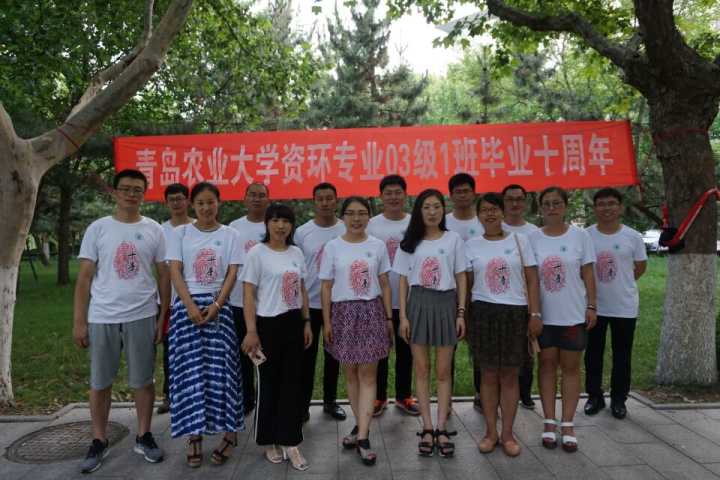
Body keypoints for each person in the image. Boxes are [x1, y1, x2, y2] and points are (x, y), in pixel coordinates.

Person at [73, 169, 168, 474]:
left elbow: (163, 275)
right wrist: (79, 321)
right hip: (103, 316)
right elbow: (84, 278)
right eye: (125, 189)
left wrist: (162, 316)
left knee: (143, 380)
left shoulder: (154, 229)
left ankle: (144, 435)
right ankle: (99, 439)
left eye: (137, 189)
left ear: (144, 194)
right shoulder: (98, 228)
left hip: (143, 314)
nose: (131, 194)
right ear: (114, 192)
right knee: (100, 382)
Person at [166, 182, 244, 468]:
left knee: (223, 373)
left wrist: (217, 305)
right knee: (190, 375)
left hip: (218, 309)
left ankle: (230, 434)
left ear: (218, 203)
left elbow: (232, 273)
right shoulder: (180, 233)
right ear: (192, 205)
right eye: (200, 203)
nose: (206, 208)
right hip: (185, 310)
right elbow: (175, 271)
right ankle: (194, 434)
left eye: (211, 202)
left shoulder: (231, 234)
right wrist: (188, 306)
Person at [466, 193, 541, 457]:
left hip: (514, 313)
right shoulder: (471, 245)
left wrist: (535, 314)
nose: (490, 214)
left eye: (494, 209)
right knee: (488, 375)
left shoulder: (520, 241)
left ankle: (508, 434)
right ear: (478, 216)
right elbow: (467, 283)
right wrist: (463, 316)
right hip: (483, 314)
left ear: (502, 212)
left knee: (510, 375)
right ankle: (490, 432)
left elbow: (532, 279)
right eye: (484, 210)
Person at [320, 196, 393, 466]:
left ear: (369, 216)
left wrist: (389, 317)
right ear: (342, 217)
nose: (356, 218)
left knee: (368, 375)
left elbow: (384, 283)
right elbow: (326, 287)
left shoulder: (377, 246)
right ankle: (361, 425)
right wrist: (327, 322)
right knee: (350, 374)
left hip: (371, 311)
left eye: (362, 213)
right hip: (342, 314)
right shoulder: (332, 247)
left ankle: (362, 437)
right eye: (350, 213)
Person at [241, 203, 313, 472]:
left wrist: (306, 322)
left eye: (286, 221)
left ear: (292, 225)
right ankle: (269, 440)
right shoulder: (256, 253)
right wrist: (251, 331)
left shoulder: (296, 253)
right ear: (267, 223)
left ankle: (291, 442)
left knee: (292, 384)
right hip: (267, 326)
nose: (281, 226)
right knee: (269, 385)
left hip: (293, 323)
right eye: (275, 220)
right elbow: (248, 294)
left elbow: (302, 289)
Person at [395, 189, 467, 458]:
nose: (432, 212)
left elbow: (461, 276)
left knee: (444, 371)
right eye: (426, 207)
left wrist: (461, 312)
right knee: (422, 369)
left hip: (446, 303)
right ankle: (426, 427)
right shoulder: (409, 242)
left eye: (437, 206)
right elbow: (403, 281)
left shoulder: (453, 239)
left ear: (443, 210)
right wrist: (403, 317)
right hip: (418, 304)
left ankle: (441, 427)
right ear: (419, 211)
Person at [528, 186, 597, 453]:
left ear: (565, 206)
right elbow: (530, 279)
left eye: (556, 203)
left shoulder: (580, 236)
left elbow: (588, 274)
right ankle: (548, 421)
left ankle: (567, 423)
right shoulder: (533, 238)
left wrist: (591, 306)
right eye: (546, 203)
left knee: (570, 367)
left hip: (572, 314)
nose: (552, 208)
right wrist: (533, 313)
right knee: (546, 366)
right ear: (540, 208)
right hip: (544, 316)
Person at [584, 188, 647, 419]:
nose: (606, 208)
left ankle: (619, 399)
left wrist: (622, 283)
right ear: (595, 209)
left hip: (624, 305)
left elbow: (640, 267)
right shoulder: (586, 236)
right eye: (601, 204)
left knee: (622, 355)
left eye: (611, 203)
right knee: (593, 354)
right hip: (594, 306)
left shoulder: (633, 237)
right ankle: (594, 396)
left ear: (620, 208)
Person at [295, 182, 347, 422]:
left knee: (333, 356)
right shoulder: (302, 232)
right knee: (305, 357)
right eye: (320, 199)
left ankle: (330, 401)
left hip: (337, 303)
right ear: (314, 202)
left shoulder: (345, 228)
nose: (325, 203)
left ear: (336, 200)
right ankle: (302, 404)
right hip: (308, 304)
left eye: (329, 198)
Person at [368, 175, 419, 416]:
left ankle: (403, 396)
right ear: (381, 197)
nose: (393, 197)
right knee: (380, 350)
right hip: (379, 299)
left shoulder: (415, 224)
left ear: (405, 194)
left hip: (409, 300)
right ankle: (379, 397)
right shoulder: (371, 225)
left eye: (398, 192)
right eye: (388, 193)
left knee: (406, 350)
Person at [228, 182, 270, 416]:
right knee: (243, 354)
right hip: (238, 302)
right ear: (245, 199)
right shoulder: (234, 228)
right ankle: (246, 399)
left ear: (268, 200)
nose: (256, 199)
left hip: (267, 304)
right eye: (252, 195)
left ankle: (265, 399)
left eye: (261, 195)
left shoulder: (273, 224)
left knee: (264, 355)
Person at [445, 173, 484, 412]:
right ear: (450, 196)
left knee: (479, 347)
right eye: (457, 192)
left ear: (474, 193)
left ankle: (481, 394)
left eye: (466, 191)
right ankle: (446, 397)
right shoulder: (443, 222)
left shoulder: (483, 222)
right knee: (448, 347)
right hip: (449, 294)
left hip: (480, 294)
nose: (462, 195)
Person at [501, 184, 540, 410]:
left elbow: (534, 271)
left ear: (525, 202)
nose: (514, 203)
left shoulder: (533, 232)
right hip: (499, 298)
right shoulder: (494, 227)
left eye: (519, 199)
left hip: (525, 297)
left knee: (526, 347)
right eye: (509, 199)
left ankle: (525, 392)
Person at [157, 183, 194, 415]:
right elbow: (160, 269)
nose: (177, 203)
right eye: (172, 199)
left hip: (195, 298)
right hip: (169, 300)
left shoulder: (197, 227)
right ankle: (170, 395)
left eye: (180, 198)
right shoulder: (160, 230)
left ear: (188, 201)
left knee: (193, 348)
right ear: (166, 203)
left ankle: (193, 393)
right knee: (171, 349)